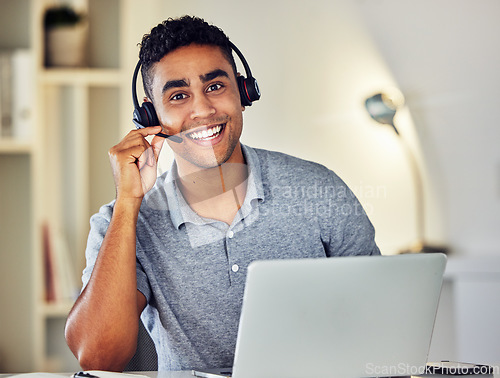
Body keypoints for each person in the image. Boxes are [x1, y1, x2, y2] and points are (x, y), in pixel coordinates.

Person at [64, 15, 380, 372]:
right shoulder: (121, 221)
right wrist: (128, 203)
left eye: (215, 87)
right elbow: (98, 357)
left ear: (244, 93)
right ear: (150, 116)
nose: (202, 109)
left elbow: (384, 315)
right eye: (179, 95)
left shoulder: (319, 189)